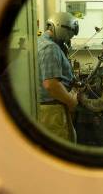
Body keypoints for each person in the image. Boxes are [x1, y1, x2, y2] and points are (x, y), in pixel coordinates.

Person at [37, 12, 80, 141]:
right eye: (69, 35)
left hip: (46, 108)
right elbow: (51, 85)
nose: (69, 39)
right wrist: (71, 101)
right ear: (62, 28)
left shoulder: (40, 42)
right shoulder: (50, 48)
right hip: (52, 110)